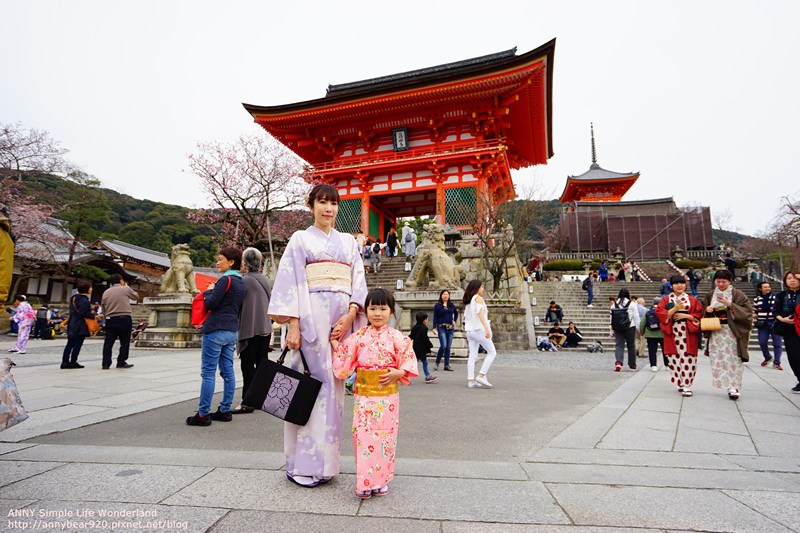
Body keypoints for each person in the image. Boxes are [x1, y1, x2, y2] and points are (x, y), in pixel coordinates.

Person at [268, 183, 368, 487]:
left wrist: (351, 313)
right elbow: (290, 283)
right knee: (307, 392)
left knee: (333, 394)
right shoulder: (299, 240)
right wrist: (294, 326)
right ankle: (301, 465)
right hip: (311, 324)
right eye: (322, 202)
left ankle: (326, 466)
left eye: (333, 203)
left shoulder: (349, 244)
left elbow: (358, 280)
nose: (328, 209)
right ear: (311, 205)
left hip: (339, 326)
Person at [332, 288, 418, 499]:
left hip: (388, 398)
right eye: (372, 308)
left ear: (391, 312)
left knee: (386, 438)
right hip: (365, 397)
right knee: (363, 437)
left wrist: (399, 372)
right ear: (366, 311)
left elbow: (408, 359)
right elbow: (345, 355)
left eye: (382, 308)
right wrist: (335, 343)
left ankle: (382, 480)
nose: (377, 313)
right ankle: (365, 481)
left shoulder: (398, 337)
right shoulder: (359, 336)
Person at [186, 247, 247, 426]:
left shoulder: (224, 280)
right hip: (231, 330)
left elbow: (211, 303)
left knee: (208, 372)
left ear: (231, 262)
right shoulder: (241, 282)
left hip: (215, 329)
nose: (217, 262)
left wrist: (210, 290)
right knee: (228, 371)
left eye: (221, 259)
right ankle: (225, 409)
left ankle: (203, 414)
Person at [701, 269, 753, 400]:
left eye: (724, 281)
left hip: (733, 330)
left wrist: (730, 305)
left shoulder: (738, 295)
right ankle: (724, 383)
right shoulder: (710, 294)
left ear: (730, 281)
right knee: (718, 357)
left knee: (734, 357)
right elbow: (701, 309)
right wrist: (707, 310)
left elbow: (747, 312)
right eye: (718, 281)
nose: (721, 284)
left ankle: (734, 386)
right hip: (716, 330)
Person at [233, 247, 273, 415]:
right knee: (261, 365)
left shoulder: (245, 281)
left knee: (248, 367)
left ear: (245, 263)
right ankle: (260, 398)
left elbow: (237, 304)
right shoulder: (266, 280)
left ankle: (247, 402)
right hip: (265, 328)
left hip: (250, 329)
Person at [655, 275, 703, 395]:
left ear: (685, 285)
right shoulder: (666, 300)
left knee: (689, 358)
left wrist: (686, 316)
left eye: (682, 283)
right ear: (671, 286)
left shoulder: (692, 300)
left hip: (687, 331)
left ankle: (687, 384)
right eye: (676, 284)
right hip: (673, 332)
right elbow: (660, 314)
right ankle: (680, 382)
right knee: (674, 358)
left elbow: (699, 315)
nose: (679, 286)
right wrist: (675, 308)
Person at [462, 280, 497, 388]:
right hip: (479, 329)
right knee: (492, 352)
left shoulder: (468, 301)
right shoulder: (478, 298)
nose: (483, 289)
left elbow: (466, 317)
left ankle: (471, 380)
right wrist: (486, 328)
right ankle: (481, 375)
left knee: (472, 356)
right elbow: (480, 313)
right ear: (477, 288)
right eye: (482, 287)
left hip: (470, 331)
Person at [100, 274, 139, 369]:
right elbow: (136, 297)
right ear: (121, 281)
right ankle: (121, 361)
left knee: (108, 342)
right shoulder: (125, 289)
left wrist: (106, 316)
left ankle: (106, 363)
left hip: (110, 318)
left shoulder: (106, 292)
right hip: (124, 317)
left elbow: (103, 307)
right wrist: (128, 287)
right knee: (124, 341)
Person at [772, 270, 800, 393]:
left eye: (795, 278)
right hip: (789, 329)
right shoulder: (781, 295)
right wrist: (782, 319)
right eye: (789, 278)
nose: (792, 280)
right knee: (793, 356)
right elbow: (775, 311)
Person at [61, 281, 96, 368]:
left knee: (69, 344)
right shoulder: (84, 301)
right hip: (80, 325)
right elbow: (83, 313)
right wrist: (93, 315)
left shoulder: (74, 298)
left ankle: (65, 362)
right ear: (86, 289)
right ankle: (73, 361)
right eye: (90, 288)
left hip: (72, 323)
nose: (91, 289)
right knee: (77, 344)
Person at [753, 281, 782, 370]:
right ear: (760, 289)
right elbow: (756, 311)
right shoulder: (757, 299)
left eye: (768, 287)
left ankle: (777, 362)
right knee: (762, 342)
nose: (768, 288)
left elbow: (779, 309)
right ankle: (768, 357)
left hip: (774, 322)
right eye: (765, 287)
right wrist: (753, 315)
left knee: (777, 343)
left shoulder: (776, 298)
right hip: (762, 324)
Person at [610, 288, 641, 371]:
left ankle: (618, 362)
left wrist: (612, 328)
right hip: (630, 326)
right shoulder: (632, 304)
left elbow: (611, 317)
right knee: (631, 346)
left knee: (619, 345)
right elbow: (636, 317)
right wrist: (639, 329)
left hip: (618, 327)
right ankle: (632, 365)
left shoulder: (614, 304)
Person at [432, 289, 458, 371]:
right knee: (443, 346)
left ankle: (447, 365)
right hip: (441, 327)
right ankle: (437, 362)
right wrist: (434, 327)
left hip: (450, 328)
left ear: (449, 296)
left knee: (448, 347)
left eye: (447, 294)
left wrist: (454, 321)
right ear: (441, 295)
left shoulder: (451, 305)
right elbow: (435, 317)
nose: (445, 296)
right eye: (444, 294)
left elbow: (456, 313)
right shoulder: (438, 305)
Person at [409, 311, 437, 384]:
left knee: (413, 363)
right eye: (427, 319)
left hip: (415, 347)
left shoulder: (414, 327)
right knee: (424, 362)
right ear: (424, 320)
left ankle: (406, 376)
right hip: (422, 348)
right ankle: (428, 376)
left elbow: (411, 336)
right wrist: (430, 345)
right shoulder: (424, 328)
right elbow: (425, 338)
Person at [640, 296, 667, 371]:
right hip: (662, 334)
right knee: (665, 350)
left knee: (652, 350)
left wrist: (642, 332)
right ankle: (667, 365)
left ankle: (653, 365)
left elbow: (642, 323)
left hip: (650, 334)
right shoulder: (664, 311)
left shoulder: (648, 312)